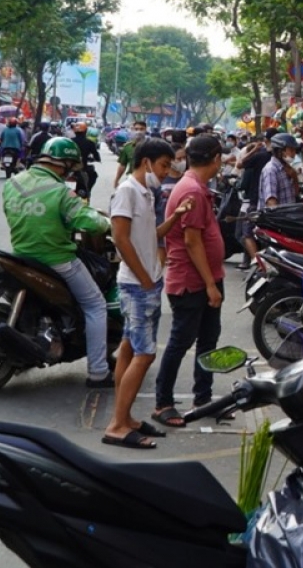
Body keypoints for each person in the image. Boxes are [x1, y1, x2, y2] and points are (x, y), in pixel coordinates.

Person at [2, 137, 115, 387]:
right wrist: (109, 223)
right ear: (64, 164)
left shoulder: (13, 183)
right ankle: (98, 372)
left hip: (20, 255)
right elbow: (90, 222)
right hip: (57, 259)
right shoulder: (61, 191)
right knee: (96, 304)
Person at [102, 138, 193, 449]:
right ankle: (117, 425)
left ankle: (125, 418)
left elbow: (147, 236)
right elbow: (120, 238)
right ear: (146, 162)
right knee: (145, 354)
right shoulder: (127, 191)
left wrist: (175, 216)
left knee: (130, 349)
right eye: (164, 165)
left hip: (146, 282)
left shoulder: (145, 193)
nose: (167, 172)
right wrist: (143, 278)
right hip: (137, 284)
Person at [152, 135, 225, 428]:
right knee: (180, 342)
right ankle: (163, 403)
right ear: (217, 158)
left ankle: (203, 399)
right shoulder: (191, 190)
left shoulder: (197, 187)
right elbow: (192, 242)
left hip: (207, 277)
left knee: (208, 340)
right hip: (191, 281)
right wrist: (209, 283)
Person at [235, 128, 278, 269]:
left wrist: (254, 150)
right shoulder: (280, 160)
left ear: (266, 141)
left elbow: (240, 164)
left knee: (247, 233)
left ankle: (258, 263)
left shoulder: (261, 156)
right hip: (274, 203)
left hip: (257, 201)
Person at [259, 132, 300, 208]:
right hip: (279, 218)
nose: (294, 154)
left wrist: (294, 176)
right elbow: (271, 203)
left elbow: (295, 195)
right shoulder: (271, 170)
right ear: (280, 151)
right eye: (291, 150)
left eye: (294, 150)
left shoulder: (287, 168)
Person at [115, 121, 149, 187]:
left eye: (141, 129)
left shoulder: (152, 146)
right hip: (131, 181)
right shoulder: (128, 147)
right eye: (136, 129)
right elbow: (122, 165)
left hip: (147, 182)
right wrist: (116, 180)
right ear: (133, 130)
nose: (139, 131)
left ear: (145, 130)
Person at [71, 122, 100, 199]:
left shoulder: (69, 141)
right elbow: (96, 155)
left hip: (68, 169)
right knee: (94, 175)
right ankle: (88, 190)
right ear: (86, 131)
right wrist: (96, 159)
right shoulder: (89, 142)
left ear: (75, 131)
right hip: (82, 169)